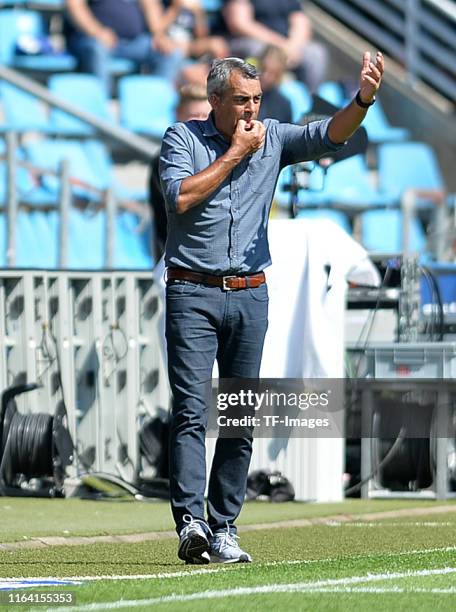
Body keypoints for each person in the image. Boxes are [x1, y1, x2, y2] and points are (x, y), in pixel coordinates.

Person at [159, 52, 384, 564]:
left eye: (256, 100)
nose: (251, 111)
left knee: (239, 415)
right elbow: (180, 198)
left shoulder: (274, 137)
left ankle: (224, 526)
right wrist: (235, 153)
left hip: (250, 292)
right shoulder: (183, 139)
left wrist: (364, 99)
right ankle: (191, 522)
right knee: (192, 411)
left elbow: (330, 134)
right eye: (241, 100)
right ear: (215, 100)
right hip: (192, 292)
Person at [64, 0, 184, 94]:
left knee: (171, 53)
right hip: (94, 39)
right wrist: (97, 32)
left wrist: (158, 35)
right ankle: (101, 108)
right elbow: (74, 6)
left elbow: (150, 6)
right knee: (97, 49)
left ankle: (156, 103)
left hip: (133, 43)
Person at [149, 84, 211, 260]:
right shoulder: (165, 159)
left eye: (205, 117)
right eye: (193, 117)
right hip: (177, 261)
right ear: (178, 115)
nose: (200, 123)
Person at [223, 0, 328, 92]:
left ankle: (307, 106)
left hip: (286, 46)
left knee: (316, 53)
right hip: (248, 41)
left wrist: (293, 46)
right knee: (257, 49)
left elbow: (301, 22)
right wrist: (279, 45)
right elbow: (240, 24)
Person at [257, 45, 292, 123]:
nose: (265, 76)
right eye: (263, 69)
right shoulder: (243, 94)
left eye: (272, 73)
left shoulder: (283, 105)